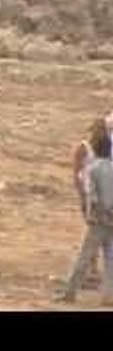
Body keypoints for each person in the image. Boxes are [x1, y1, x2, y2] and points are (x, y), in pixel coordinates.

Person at [58, 130, 113, 305]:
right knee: (110, 260)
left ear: (94, 149)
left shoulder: (93, 169)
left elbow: (92, 196)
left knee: (84, 257)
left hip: (99, 220)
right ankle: (108, 297)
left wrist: (91, 214)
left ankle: (70, 292)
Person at [71, 117, 110, 286]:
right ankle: (91, 272)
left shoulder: (103, 149)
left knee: (95, 238)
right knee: (94, 238)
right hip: (92, 198)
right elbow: (77, 175)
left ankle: (91, 274)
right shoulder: (84, 148)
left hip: (101, 198)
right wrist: (83, 197)